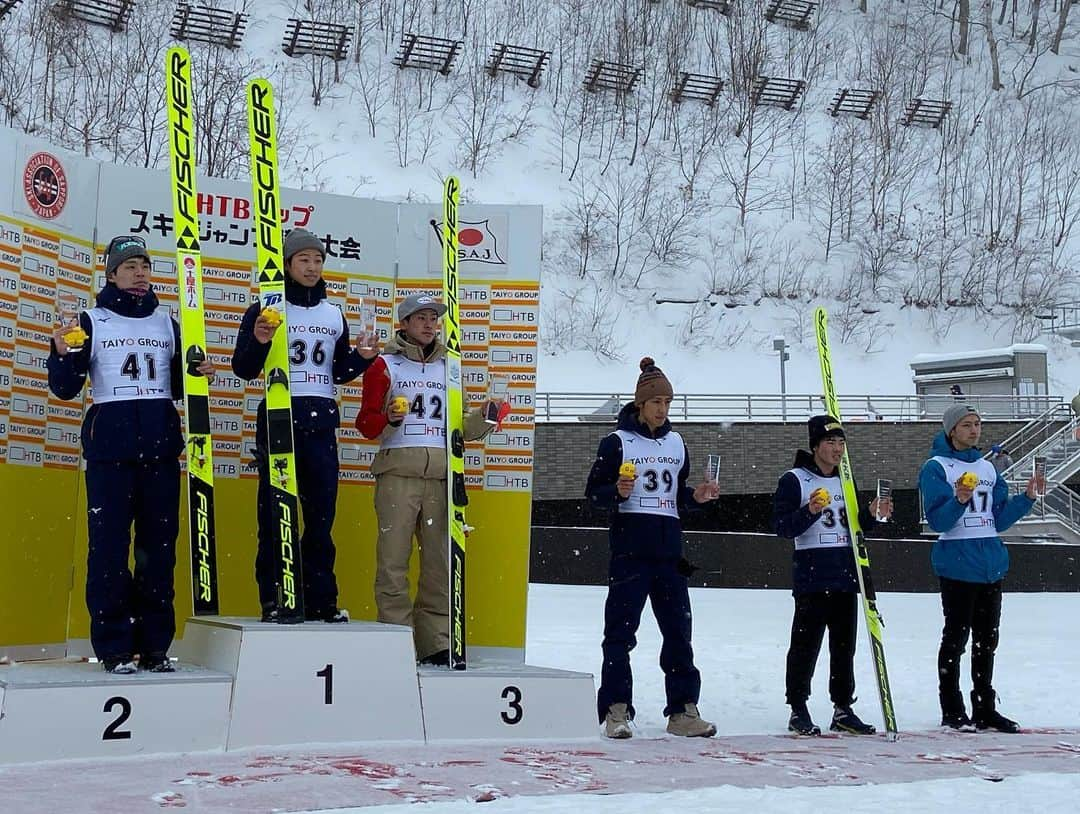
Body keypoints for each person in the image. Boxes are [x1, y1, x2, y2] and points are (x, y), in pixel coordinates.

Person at [47, 235, 215, 673]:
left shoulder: (168, 322)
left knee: (159, 550)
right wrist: (62, 354)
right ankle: (114, 646)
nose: (140, 273)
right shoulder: (91, 319)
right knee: (108, 550)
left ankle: (155, 646)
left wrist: (196, 372)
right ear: (112, 274)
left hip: (160, 447)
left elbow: (178, 386)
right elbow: (65, 388)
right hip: (110, 451)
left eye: (144, 265)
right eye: (129, 267)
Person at [232, 228, 377, 623]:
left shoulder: (333, 313)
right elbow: (243, 368)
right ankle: (276, 596)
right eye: (304, 261)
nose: (312, 268)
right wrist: (260, 339)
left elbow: (339, 370)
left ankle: (320, 599)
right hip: (280, 417)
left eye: (318, 261)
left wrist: (362, 357)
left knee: (320, 518)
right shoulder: (266, 306)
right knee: (276, 512)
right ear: (288, 265)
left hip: (321, 422)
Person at [356, 293, 497, 666]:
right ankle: (396, 639)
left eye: (434, 318)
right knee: (393, 560)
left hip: (440, 477)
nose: (429, 324)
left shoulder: (449, 367)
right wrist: (389, 418)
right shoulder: (384, 365)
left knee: (438, 561)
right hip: (398, 474)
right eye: (420, 318)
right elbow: (366, 423)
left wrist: (485, 417)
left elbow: (459, 426)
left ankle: (436, 641)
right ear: (403, 324)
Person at [586, 357, 720, 739]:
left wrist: (697, 496)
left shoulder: (677, 442)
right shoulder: (617, 442)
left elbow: (676, 497)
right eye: (656, 402)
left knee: (678, 634)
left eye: (667, 403)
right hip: (631, 552)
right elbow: (593, 494)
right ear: (640, 404)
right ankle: (616, 709)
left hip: (670, 554)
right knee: (620, 635)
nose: (662, 410)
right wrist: (616, 491)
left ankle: (682, 710)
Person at [919, 404, 1042, 733]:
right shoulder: (937, 467)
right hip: (957, 564)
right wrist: (958, 499)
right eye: (967, 425)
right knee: (956, 639)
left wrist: (1026, 498)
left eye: (978, 424)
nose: (975, 430)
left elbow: (997, 520)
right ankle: (952, 708)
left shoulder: (988, 468)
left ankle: (984, 708)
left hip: (990, 563)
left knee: (987, 641)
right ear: (951, 431)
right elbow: (938, 520)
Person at [771, 415, 891, 736]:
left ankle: (842, 707)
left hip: (845, 575)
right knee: (805, 645)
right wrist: (809, 511)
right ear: (815, 446)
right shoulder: (794, 480)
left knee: (843, 646)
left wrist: (873, 515)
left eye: (841, 443)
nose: (837, 449)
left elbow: (855, 524)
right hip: (812, 575)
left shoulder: (846, 479)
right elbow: (782, 528)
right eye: (830, 443)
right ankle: (798, 707)